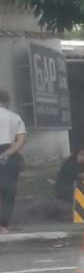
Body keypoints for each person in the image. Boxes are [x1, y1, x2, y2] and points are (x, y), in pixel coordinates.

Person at [0, 90, 27, 233]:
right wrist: (7, 153)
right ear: (7, 101)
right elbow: (21, 140)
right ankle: (4, 226)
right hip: (9, 156)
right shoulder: (15, 117)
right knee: (8, 192)